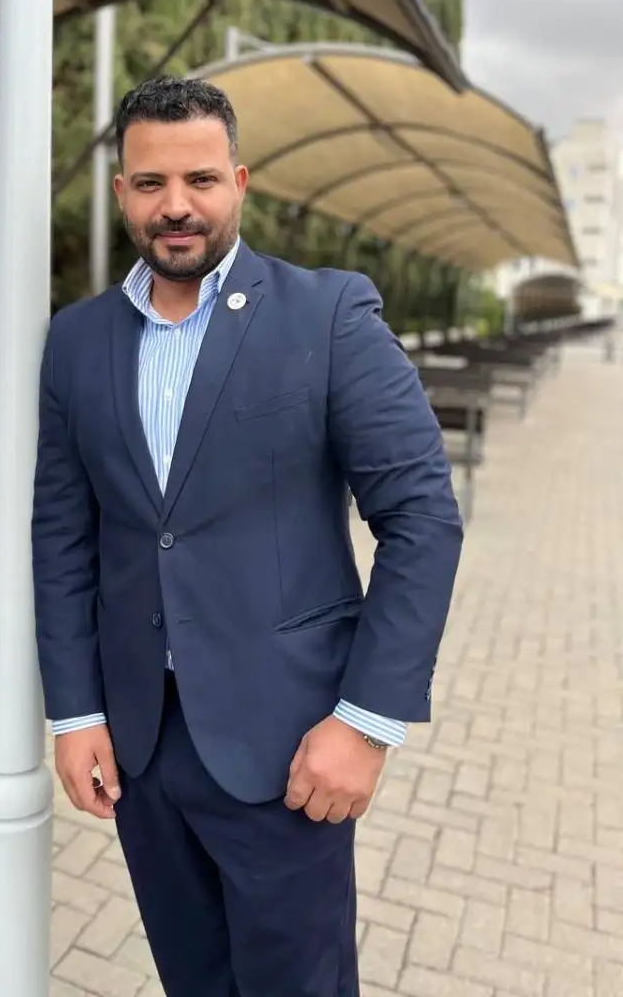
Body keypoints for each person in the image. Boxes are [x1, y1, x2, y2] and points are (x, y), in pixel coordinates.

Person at [32, 76, 463, 997]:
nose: (176, 206)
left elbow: (422, 518)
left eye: (199, 179)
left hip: (289, 749)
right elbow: (64, 537)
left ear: (239, 182)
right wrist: (74, 713)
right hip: (142, 749)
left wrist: (365, 723)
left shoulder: (328, 315)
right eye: (151, 183)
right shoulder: (76, 342)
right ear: (121, 193)